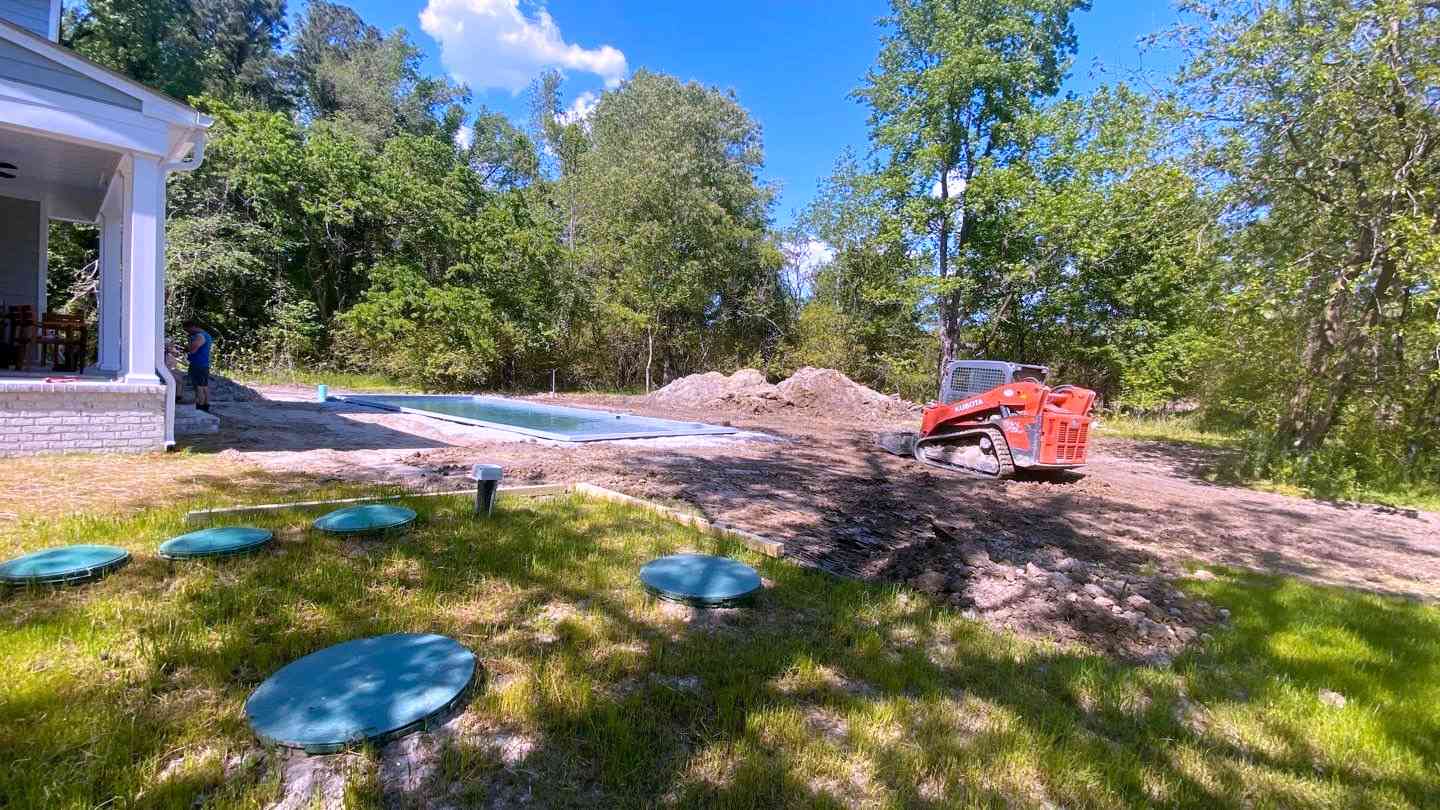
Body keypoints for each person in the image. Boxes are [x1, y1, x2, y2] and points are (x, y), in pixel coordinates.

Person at [183, 320, 213, 412]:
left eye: (187, 329)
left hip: (197, 364)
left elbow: (193, 349)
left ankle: (200, 405)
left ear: (193, 327)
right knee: (204, 385)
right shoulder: (207, 335)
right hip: (204, 364)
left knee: (198, 386)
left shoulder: (199, 336)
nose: (188, 332)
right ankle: (206, 405)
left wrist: (186, 348)